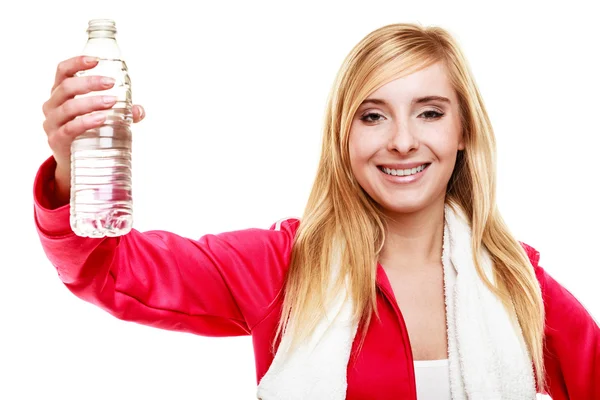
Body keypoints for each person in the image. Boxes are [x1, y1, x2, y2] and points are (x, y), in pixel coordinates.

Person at [35, 22, 599, 400]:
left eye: (429, 112)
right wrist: (70, 168)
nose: (402, 141)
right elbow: (108, 271)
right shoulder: (281, 266)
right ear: (342, 135)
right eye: (373, 116)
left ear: (464, 133)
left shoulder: (518, 284)